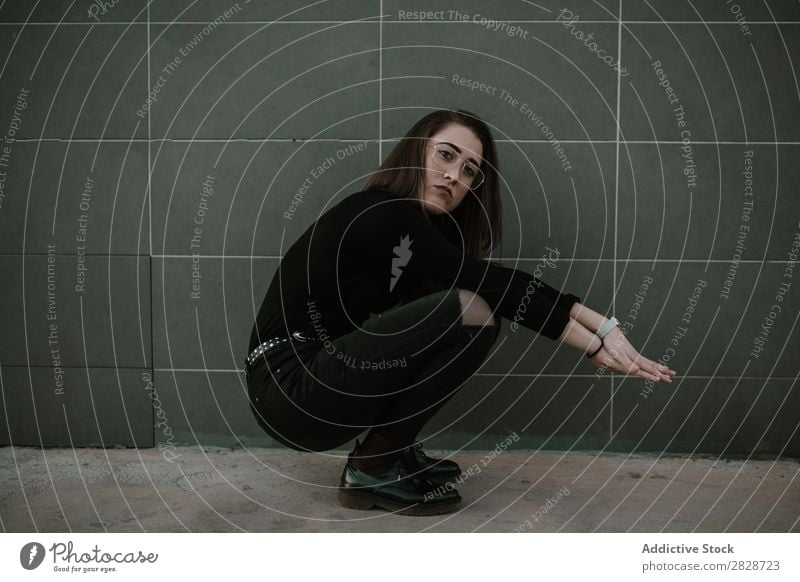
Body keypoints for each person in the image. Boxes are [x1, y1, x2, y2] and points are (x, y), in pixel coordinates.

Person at [244, 109, 677, 516]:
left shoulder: (412, 236)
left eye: (469, 170)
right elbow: (490, 286)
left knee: (475, 315)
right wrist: (592, 346)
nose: (454, 176)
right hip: (289, 386)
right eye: (445, 155)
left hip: (314, 386)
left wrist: (606, 326)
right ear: (416, 151)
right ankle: (372, 469)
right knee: (473, 310)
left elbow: (499, 280)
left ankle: (387, 451)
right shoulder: (380, 212)